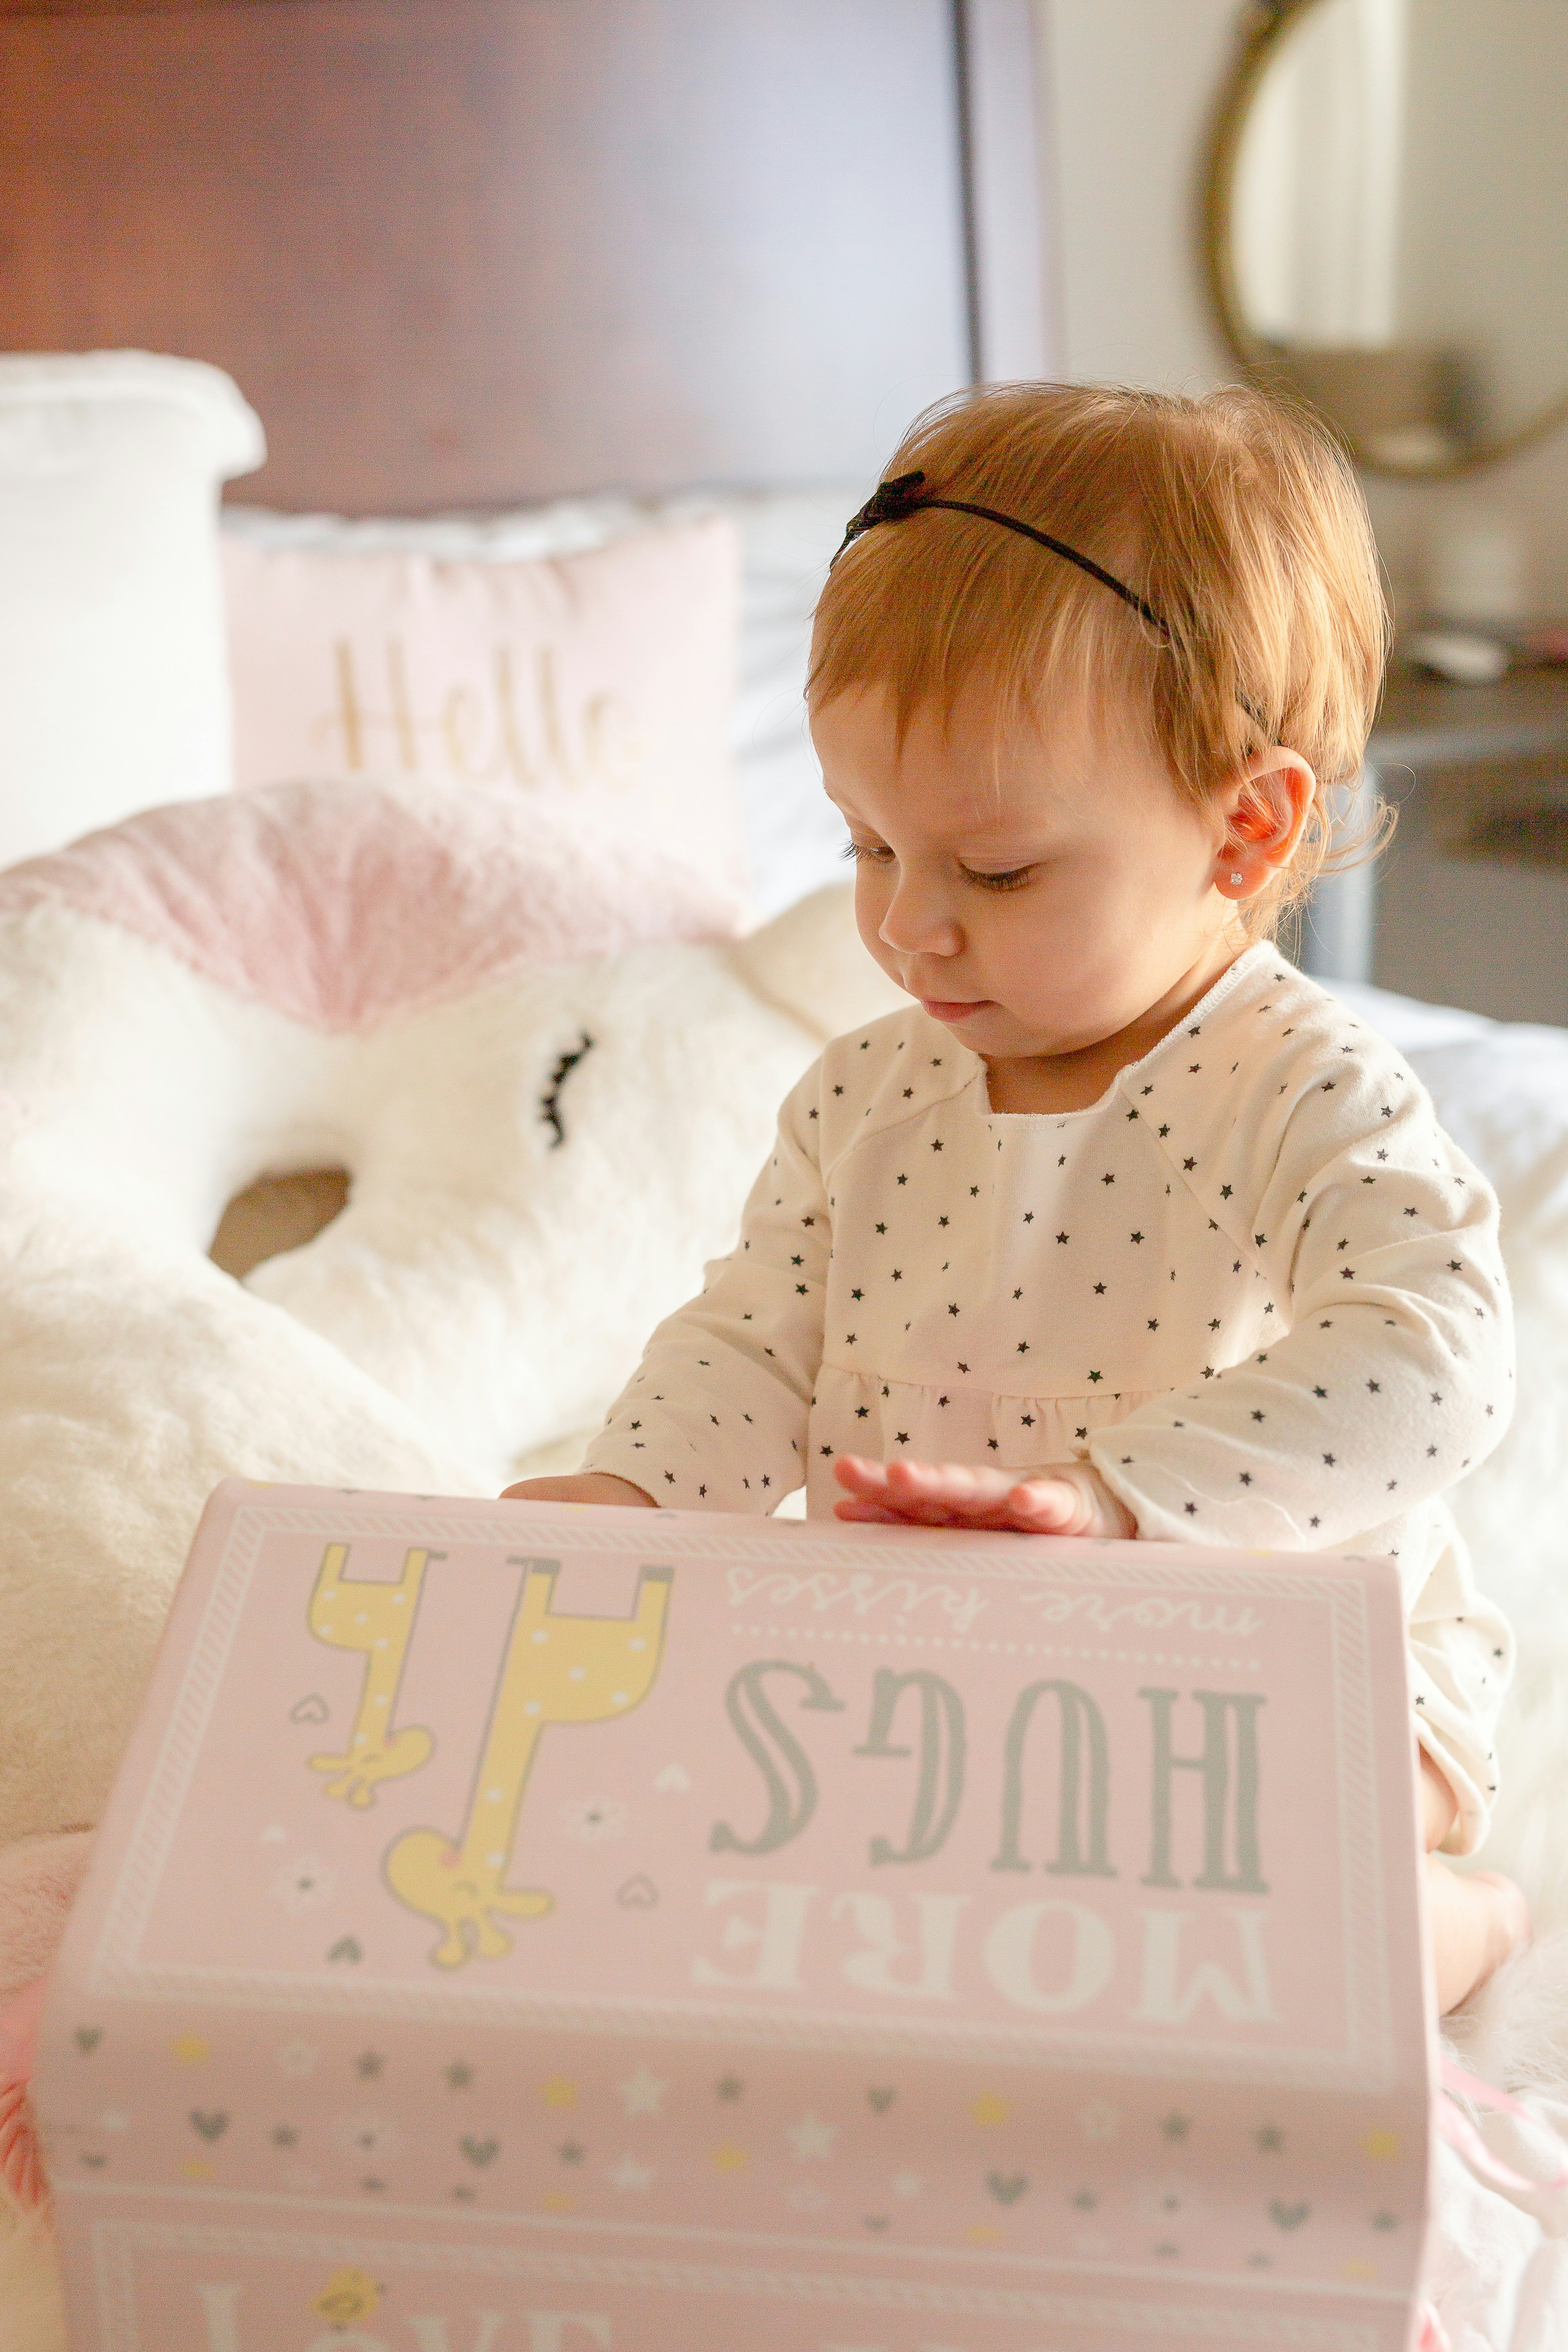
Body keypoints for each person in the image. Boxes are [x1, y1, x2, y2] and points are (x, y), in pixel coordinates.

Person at [506, 381, 1528, 2014]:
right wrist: (628, 1508)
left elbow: (1439, 1360)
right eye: (864, 848)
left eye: (993, 872)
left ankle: (1463, 1918)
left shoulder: (1302, 1087)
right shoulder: (865, 1095)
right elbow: (754, 1341)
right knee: (760, 1843)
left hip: (1263, 1671)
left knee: (1277, 1913)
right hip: (952, 1670)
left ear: (1247, 827)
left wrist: (1118, 1506)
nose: (911, 929)